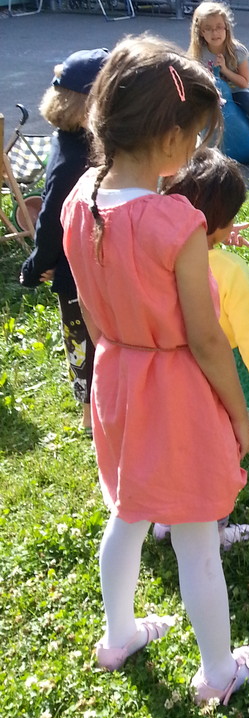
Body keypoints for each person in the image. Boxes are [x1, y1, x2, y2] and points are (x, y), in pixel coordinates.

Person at [60, 35, 249, 705]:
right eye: (197, 133)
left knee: (126, 513)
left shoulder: (79, 199)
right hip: (174, 388)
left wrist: (111, 362)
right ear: (172, 135)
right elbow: (207, 340)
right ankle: (217, 672)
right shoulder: (175, 221)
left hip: (115, 377)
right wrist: (238, 414)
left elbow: (92, 312)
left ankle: (118, 633)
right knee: (194, 535)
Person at [154, 147, 249, 548]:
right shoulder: (230, 272)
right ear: (224, 221)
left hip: (167, 370)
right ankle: (212, 530)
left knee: (174, 445)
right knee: (221, 454)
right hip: (223, 372)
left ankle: (165, 519)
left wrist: (214, 234)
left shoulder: (157, 255)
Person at [19, 48, 108, 433]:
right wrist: (39, 263)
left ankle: (96, 407)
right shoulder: (79, 153)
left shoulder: (67, 140)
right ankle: (92, 411)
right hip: (84, 262)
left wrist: (39, 262)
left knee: (84, 335)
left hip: (84, 262)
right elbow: (55, 217)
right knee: (87, 335)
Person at [188, 0, 249, 168]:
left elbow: (244, 83)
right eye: (209, 29)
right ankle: (198, 148)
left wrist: (225, 70)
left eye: (219, 27)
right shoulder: (199, 54)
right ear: (200, 32)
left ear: (226, 27)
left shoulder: (237, 51)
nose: (215, 32)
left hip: (236, 91)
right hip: (212, 94)